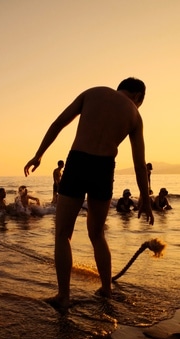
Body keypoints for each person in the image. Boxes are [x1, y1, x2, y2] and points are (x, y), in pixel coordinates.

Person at [24, 77, 154, 309]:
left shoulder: (93, 92)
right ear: (138, 97)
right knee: (97, 235)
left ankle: (64, 296)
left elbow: (58, 123)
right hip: (104, 169)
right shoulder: (135, 115)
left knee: (63, 234)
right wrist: (145, 199)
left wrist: (39, 154)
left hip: (78, 162)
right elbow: (139, 165)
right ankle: (106, 289)